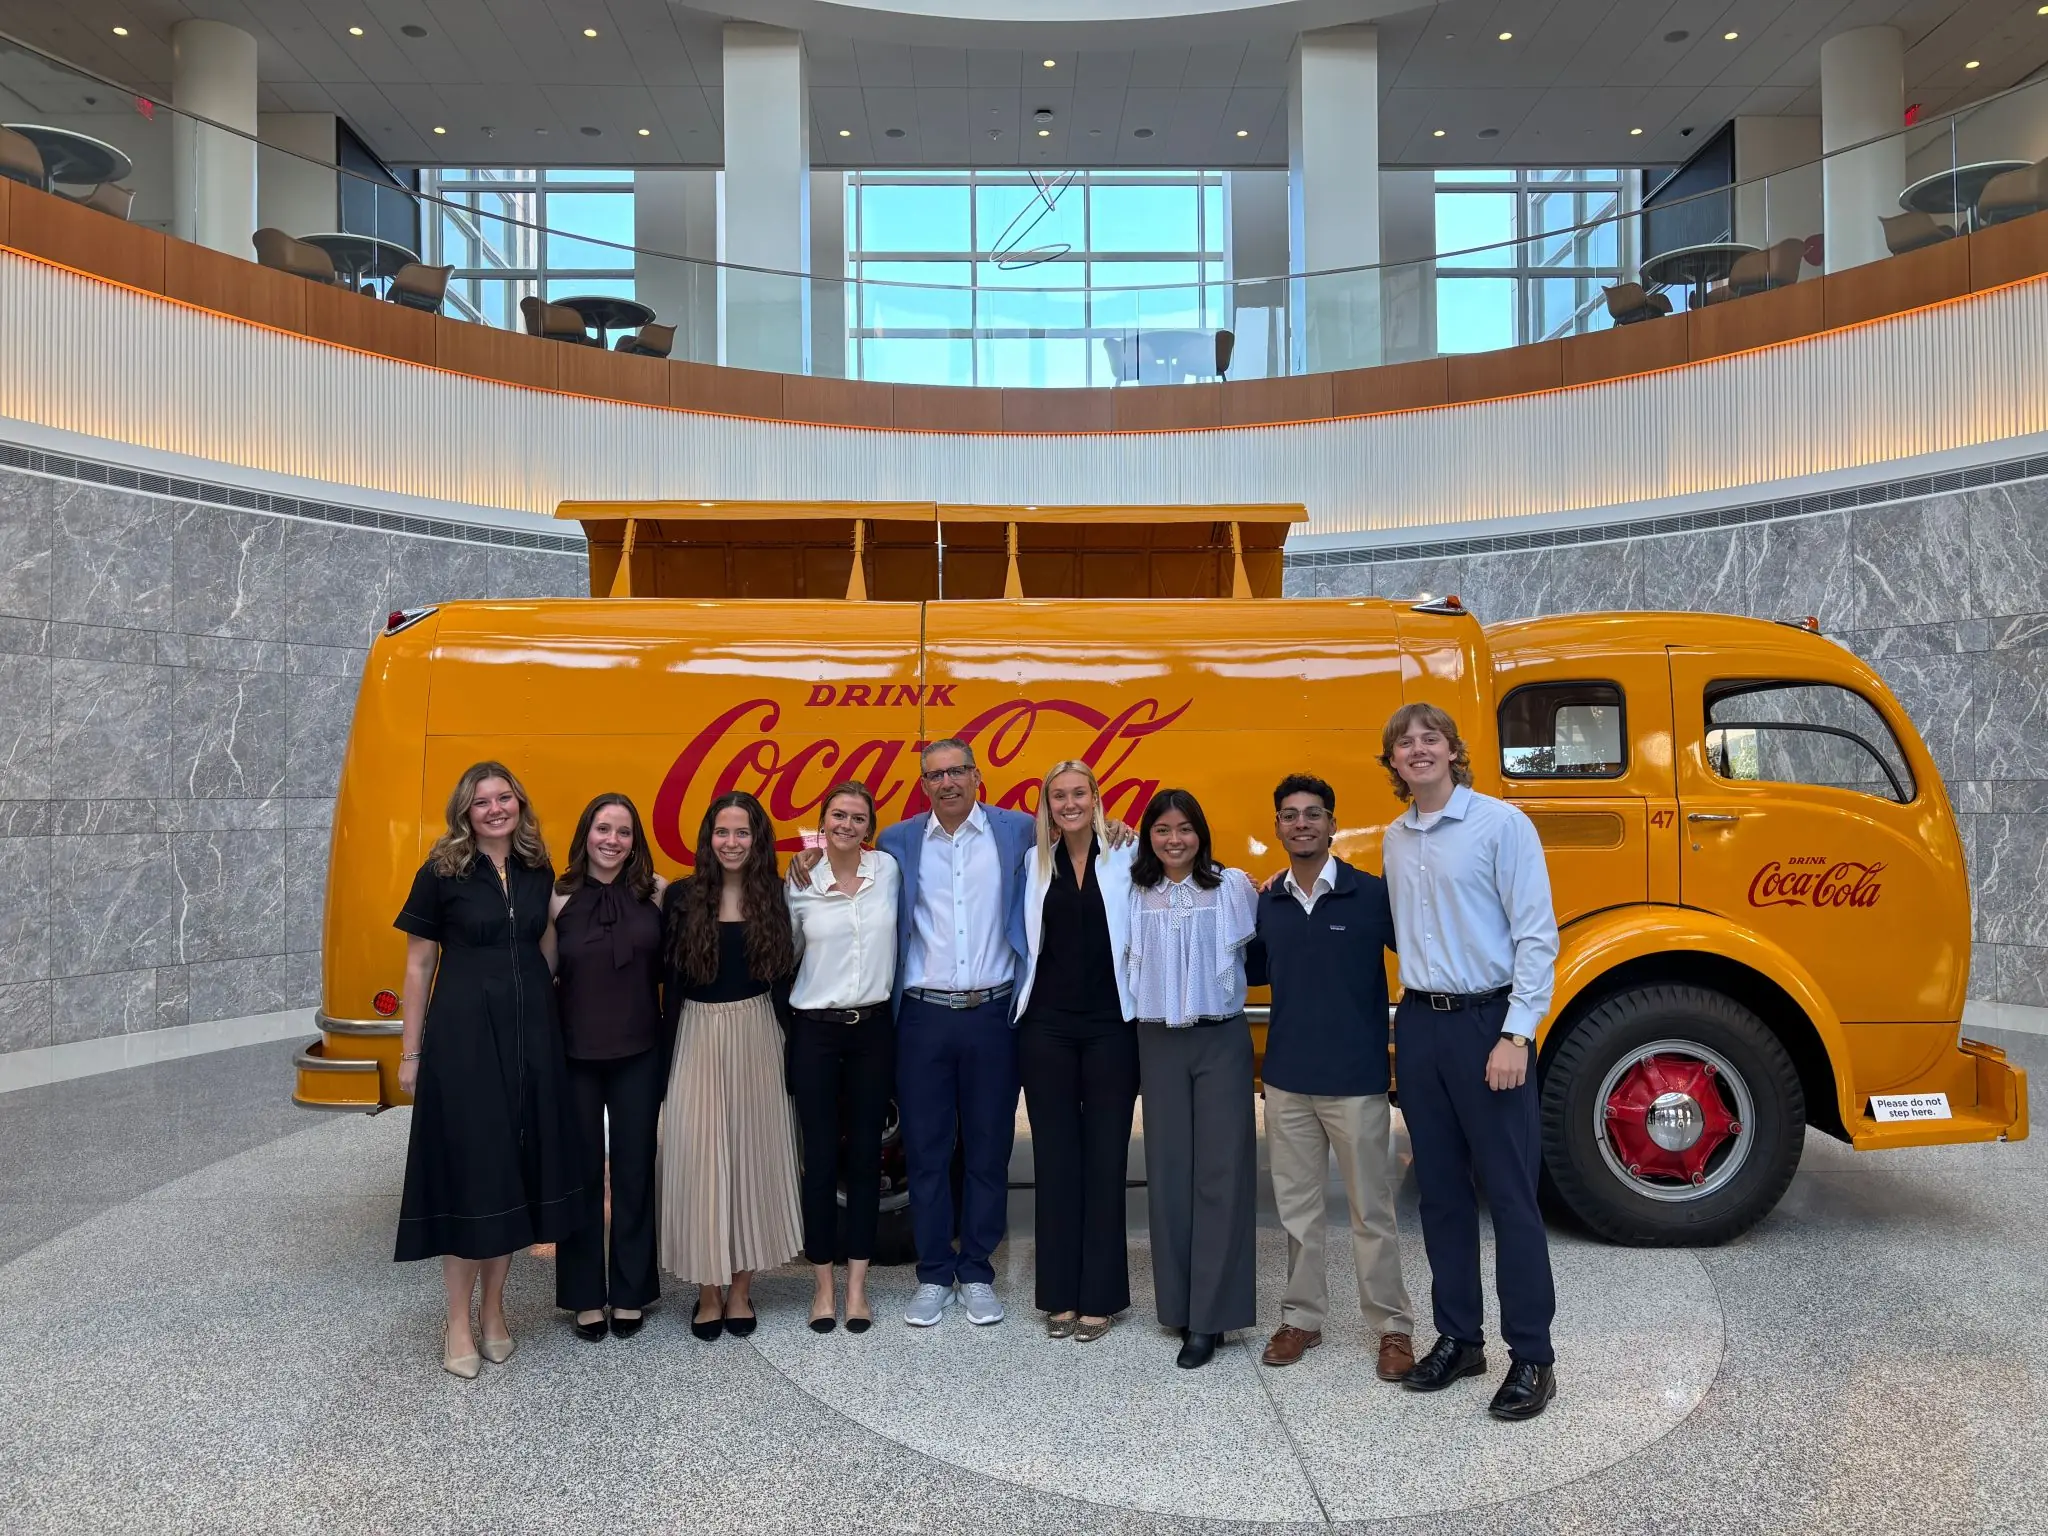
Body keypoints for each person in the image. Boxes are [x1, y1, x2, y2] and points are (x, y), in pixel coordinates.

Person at [1379, 702, 1562, 1421]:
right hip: (1421, 1022)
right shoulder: (1396, 837)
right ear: (1392, 762)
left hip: (1489, 1024)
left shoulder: (1500, 825)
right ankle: (1460, 1338)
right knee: (1442, 1197)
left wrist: (1517, 1034)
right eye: (1404, 744)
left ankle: (1533, 1357)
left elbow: (1536, 937)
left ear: (1455, 752)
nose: (1418, 750)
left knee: (1512, 1198)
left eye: (1430, 740)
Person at [393, 761, 579, 1379]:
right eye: (481, 802)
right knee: (471, 1176)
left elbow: (546, 941)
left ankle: (495, 1313)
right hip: (463, 1037)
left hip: (530, 1037)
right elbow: (419, 966)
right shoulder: (441, 871)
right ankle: (456, 1322)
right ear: (464, 812)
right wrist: (411, 1052)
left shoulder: (534, 867)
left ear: (520, 804)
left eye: (504, 798)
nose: (494, 809)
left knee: (511, 1175)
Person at [1245, 773, 1415, 1378]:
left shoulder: (1371, 896)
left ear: (1333, 823)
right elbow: (1248, 972)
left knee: (1373, 1211)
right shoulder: (1268, 902)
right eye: (1289, 815)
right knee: (1297, 1212)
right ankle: (1301, 1319)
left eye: (1312, 814)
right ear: (1278, 828)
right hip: (1288, 1079)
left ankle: (1393, 1329)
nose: (1301, 824)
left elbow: (1423, 958)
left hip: (1357, 1081)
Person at [875, 738, 1036, 1328]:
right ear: (924, 785)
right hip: (923, 1017)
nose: (947, 783)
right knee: (926, 1150)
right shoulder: (898, 840)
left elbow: (1078, 835)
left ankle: (976, 1270)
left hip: (995, 1014)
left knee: (990, 1149)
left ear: (976, 775)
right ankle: (934, 1273)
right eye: (934, 775)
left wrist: (1114, 827)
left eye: (956, 771)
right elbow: (854, 872)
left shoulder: (1017, 830)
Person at [659, 790, 803, 1341]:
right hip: (696, 1033)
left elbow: (786, 986)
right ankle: (707, 1291)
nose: (732, 842)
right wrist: (665, 1058)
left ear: (758, 839)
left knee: (751, 1161)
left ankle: (741, 1290)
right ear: (708, 838)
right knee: (698, 1164)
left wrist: (795, 1057)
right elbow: (669, 987)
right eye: (723, 832)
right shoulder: (681, 897)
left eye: (743, 833)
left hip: (759, 1033)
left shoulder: (778, 897)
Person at [1125, 788, 1260, 1370]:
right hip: (1156, 1040)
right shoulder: (1133, 891)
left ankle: (1212, 1317)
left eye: (1184, 828)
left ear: (1200, 833)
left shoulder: (1232, 888)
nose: (1174, 839)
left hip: (1220, 1039)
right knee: (1170, 1172)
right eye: (1162, 830)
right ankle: (1178, 1306)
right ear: (1147, 836)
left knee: (1223, 1174)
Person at [1015, 759, 1140, 1343]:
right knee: (1057, 1161)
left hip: (1113, 1025)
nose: (1069, 803)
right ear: (1047, 804)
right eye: (1057, 795)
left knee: (1106, 1157)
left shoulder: (1128, 853)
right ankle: (1059, 1294)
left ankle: (1104, 1296)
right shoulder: (1033, 862)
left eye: (1078, 793)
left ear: (1096, 797)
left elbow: (1184, 875)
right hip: (1046, 1027)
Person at [549, 793, 667, 1343]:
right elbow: (545, 972)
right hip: (573, 1055)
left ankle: (630, 1292)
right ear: (586, 833)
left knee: (635, 1174)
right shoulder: (557, 896)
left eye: (623, 831)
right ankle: (582, 1296)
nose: (612, 840)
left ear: (634, 840)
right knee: (579, 1178)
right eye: (603, 828)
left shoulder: (657, 893)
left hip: (640, 1052)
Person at [785, 780, 901, 1336]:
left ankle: (857, 1288)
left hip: (872, 1032)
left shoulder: (890, 874)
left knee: (864, 1166)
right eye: (837, 816)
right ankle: (822, 1288)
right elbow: (785, 955)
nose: (847, 825)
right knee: (820, 1164)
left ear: (869, 828)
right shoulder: (801, 882)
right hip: (816, 1032)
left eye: (857, 818)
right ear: (822, 823)